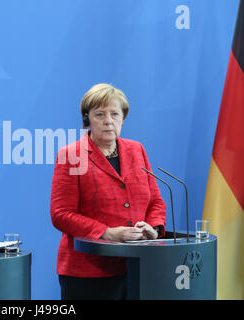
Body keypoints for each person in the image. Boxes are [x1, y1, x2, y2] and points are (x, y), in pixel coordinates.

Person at [50, 83, 166, 300]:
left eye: (115, 114)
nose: (108, 121)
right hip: (88, 271)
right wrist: (107, 233)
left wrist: (154, 229)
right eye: (100, 114)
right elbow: (61, 214)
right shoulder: (71, 154)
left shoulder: (137, 149)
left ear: (123, 118)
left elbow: (156, 202)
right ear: (87, 120)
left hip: (139, 266)